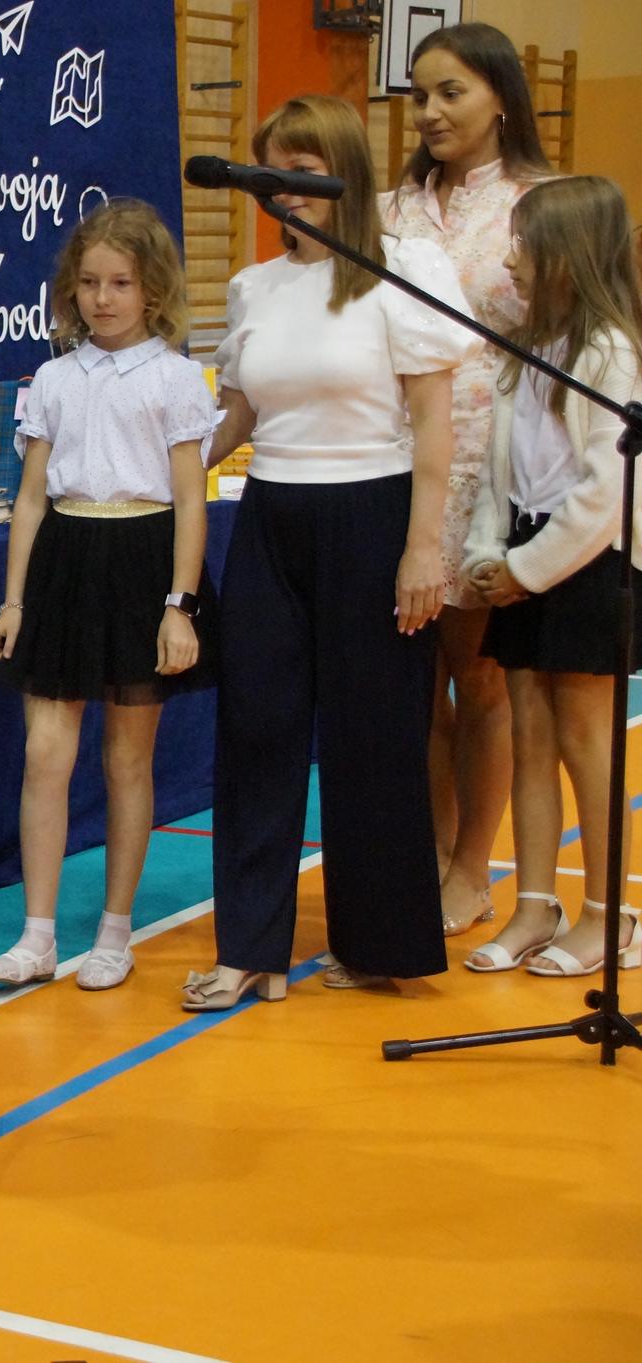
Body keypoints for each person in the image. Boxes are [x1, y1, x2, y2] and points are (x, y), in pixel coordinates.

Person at [190, 95, 479, 1010]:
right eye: (272, 170)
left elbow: (433, 427)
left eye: (303, 170)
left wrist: (423, 549)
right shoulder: (255, 287)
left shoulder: (402, 270)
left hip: (374, 512)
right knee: (258, 729)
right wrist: (157, 461)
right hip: (270, 515)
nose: (284, 189)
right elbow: (238, 414)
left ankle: (380, 941)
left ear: (342, 174)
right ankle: (251, 948)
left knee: (375, 736)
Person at [0, 199, 220, 992]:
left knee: (126, 756)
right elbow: (29, 499)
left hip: (143, 559)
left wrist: (179, 604)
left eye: (120, 282)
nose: (103, 298)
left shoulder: (175, 377)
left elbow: (190, 500)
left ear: (152, 290)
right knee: (45, 753)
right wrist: (14, 602)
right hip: (65, 556)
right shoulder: (53, 377)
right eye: (89, 282)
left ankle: (115, 931)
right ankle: (37, 933)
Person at [380, 21, 558, 938]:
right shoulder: (392, 208)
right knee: (409, 687)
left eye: (451, 92)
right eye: (420, 95)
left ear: (501, 98)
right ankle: (427, 849)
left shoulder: (541, 203)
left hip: (494, 468)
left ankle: (471, 867)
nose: (430, 111)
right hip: (393, 464)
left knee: (478, 678)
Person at [461, 176, 642, 976]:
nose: (511, 259)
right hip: (527, 553)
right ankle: (536, 904)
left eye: (524, 243)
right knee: (529, 734)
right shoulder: (529, 349)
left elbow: (604, 491)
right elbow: (500, 471)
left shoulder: (611, 354)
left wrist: (527, 572)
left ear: (567, 254)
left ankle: (610, 914)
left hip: (590, 561)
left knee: (585, 739)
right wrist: (488, 552)